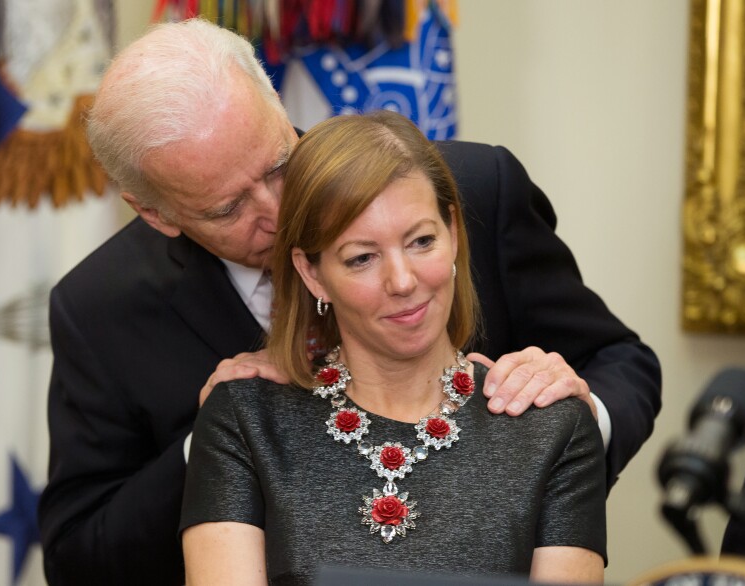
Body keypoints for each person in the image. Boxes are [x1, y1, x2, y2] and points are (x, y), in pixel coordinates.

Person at [37, 18, 660, 586]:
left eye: (279, 166)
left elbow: (621, 360)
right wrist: (208, 449)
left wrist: (565, 421)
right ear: (156, 213)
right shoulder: (100, 308)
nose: (278, 214)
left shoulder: (472, 192)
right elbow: (79, 557)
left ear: (277, 101)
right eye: (228, 208)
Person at [180, 110, 607, 584]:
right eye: (362, 257)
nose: (402, 281)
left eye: (421, 241)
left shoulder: (552, 427)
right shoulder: (244, 420)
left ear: (455, 234)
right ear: (312, 273)